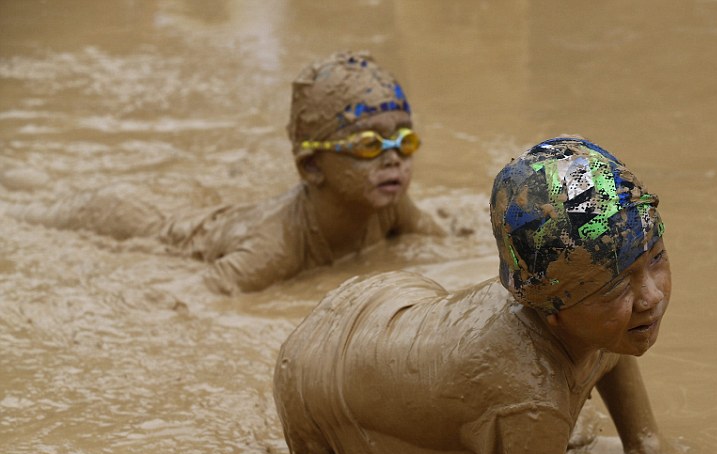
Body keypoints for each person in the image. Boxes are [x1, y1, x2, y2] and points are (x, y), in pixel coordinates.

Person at [273, 137, 671, 454]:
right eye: (617, 287)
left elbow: (649, 452)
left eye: (656, 258)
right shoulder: (529, 393)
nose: (651, 296)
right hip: (318, 369)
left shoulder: (592, 315)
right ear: (555, 312)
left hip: (385, 312)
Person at [14, 51, 444, 294]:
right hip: (128, 219)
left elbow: (447, 241)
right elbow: (191, 295)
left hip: (192, 205)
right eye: (370, 145)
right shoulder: (274, 247)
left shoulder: (390, 205)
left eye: (404, 141)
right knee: (21, 215)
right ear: (312, 166)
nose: (394, 160)